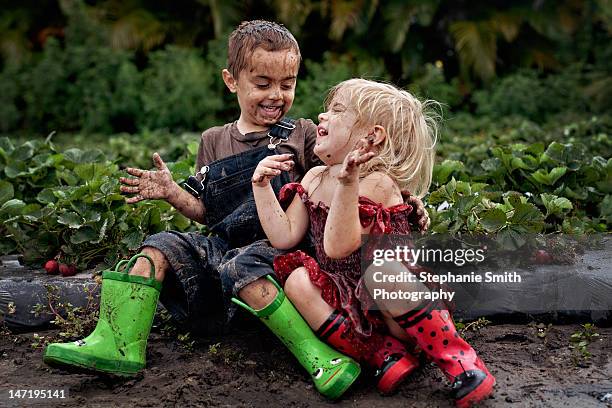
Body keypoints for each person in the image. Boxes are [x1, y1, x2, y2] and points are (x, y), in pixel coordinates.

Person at [42, 20, 428, 399]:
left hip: (279, 248)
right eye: (262, 84)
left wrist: (403, 200)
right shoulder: (213, 141)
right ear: (232, 81)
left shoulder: (303, 134)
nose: (275, 95)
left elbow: (351, 176)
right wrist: (172, 192)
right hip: (223, 244)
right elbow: (206, 211)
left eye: (287, 84)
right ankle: (116, 343)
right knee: (157, 246)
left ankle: (320, 356)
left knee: (243, 264)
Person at [250, 78, 496, 407]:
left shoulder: (376, 183)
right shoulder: (312, 178)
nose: (322, 117)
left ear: (372, 136)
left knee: (380, 274)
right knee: (296, 279)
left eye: (336, 111)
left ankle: (459, 362)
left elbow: (339, 246)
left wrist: (348, 180)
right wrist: (261, 187)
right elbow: (284, 236)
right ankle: (382, 356)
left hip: (397, 313)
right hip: (350, 309)